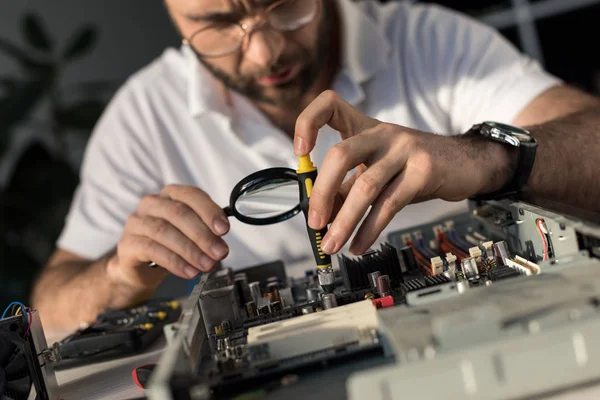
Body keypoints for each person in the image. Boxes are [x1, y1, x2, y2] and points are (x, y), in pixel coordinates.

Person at [32, 0, 600, 334]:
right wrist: (117, 277)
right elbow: (49, 309)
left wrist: (486, 156)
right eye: (218, 22)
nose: (264, 53)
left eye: (284, 6)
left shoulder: (430, 42)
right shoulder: (143, 116)